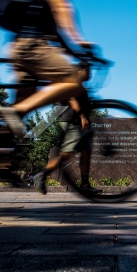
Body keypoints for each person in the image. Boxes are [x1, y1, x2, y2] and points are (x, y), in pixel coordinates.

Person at [0, 0, 95, 138]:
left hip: (19, 48)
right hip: (31, 47)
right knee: (73, 81)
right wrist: (80, 40)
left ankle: (2, 164)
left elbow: (56, 34)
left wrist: (76, 53)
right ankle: (14, 113)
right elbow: (61, 7)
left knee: (17, 120)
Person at [33, 62, 101, 195]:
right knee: (67, 153)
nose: (90, 73)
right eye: (87, 70)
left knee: (86, 152)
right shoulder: (72, 84)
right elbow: (72, 100)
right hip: (72, 121)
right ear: (78, 71)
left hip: (81, 123)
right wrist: (82, 116)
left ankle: (85, 185)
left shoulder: (81, 87)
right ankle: (41, 174)